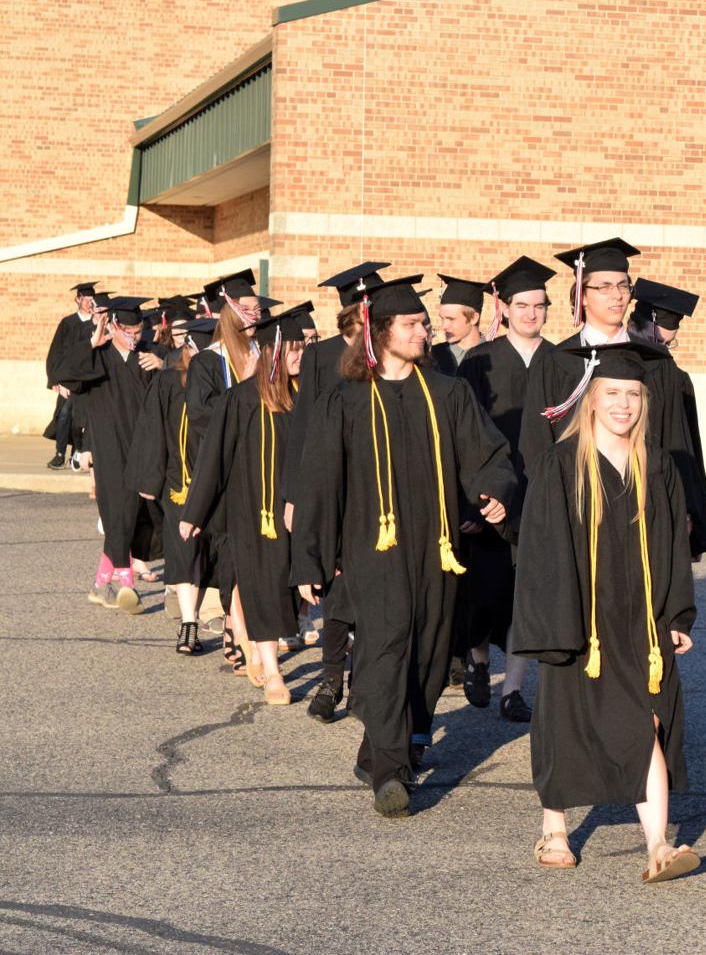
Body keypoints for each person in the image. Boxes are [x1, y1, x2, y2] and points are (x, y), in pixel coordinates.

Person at [290, 274, 517, 817]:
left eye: (424, 324)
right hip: (373, 551)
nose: (424, 332)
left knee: (431, 655)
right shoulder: (344, 401)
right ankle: (391, 773)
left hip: (438, 551)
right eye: (413, 324)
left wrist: (495, 493)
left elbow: (488, 454)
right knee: (386, 649)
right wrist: (311, 559)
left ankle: (380, 748)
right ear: (382, 331)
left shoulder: (448, 394)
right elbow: (320, 485)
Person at [511, 342, 700, 882]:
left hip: (640, 622)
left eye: (633, 394)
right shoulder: (560, 464)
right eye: (612, 393)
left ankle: (658, 846)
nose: (623, 404)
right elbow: (542, 553)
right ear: (590, 398)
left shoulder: (657, 465)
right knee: (565, 720)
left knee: (649, 720)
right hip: (578, 620)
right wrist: (553, 626)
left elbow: (672, 549)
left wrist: (677, 616)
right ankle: (554, 828)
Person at [519, 238, 706, 559]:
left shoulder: (656, 363)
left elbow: (676, 439)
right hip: (575, 507)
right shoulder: (556, 362)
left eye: (623, 286)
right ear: (582, 295)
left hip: (644, 505)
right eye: (605, 287)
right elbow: (537, 442)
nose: (617, 295)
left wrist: (684, 507)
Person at [181, 304, 314, 705]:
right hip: (254, 510)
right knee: (263, 584)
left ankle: (251, 638)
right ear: (274, 351)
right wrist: (195, 512)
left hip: (297, 509)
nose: (300, 356)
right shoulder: (239, 400)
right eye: (293, 349)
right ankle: (273, 672)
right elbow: (214, 458)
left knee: (290, 588)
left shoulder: (306, 396)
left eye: (302, 349)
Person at [455, 256, 556, 721]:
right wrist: (470, 501)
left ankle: (512, 690)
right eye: (522, 305)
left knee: (525, 598)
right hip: (489, 497)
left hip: (541, 497)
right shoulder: (479, 361)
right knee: (483, 592)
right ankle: (478, 660)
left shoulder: (561, 362)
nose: (531, 313)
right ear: (505, 308)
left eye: (539, 305)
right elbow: (462, 434)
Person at [288, 262, 390, 723]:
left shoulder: (394, 358)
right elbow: (302, 429)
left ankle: (366, 681)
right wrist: (294, 496)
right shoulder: (320, 356)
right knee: (337, 588)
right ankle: (331, 679)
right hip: (335, 490)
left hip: (381, 492)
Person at [59, 297, 161, 613]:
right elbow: (64, 374)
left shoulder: (148, 356)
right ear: (114, 327)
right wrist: (91, 343)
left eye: (139, 330)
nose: (135, 337)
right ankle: (127, 583)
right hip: (109, 449)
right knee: (119, 511)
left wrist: (164, 365)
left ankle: (101, 584)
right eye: (129, 331)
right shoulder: (98, 357)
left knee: (136, 515)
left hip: (143, 446)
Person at [126, 317, 217, 653]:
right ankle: (189, 624)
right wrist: (149, 479)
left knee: (210, 552)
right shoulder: (168, 381)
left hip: (216, 478)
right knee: (183, 549)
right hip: (180, 480)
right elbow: (151, 430)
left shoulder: (222, 379)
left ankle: (208, 616)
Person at [188, 271, 262, 677]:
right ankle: (235, 624)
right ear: (229, 313)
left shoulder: (266, 352)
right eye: (247, 308)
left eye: (257, 308)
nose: (255, 315)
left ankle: (251, 623)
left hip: (263, 467)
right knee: (233, 551)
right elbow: (202, 418)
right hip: (227, 473)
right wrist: (244, 386)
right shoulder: (207, 362)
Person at [627, 279, 706, 557]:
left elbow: (685, 444)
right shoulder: (658, 373)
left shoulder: (674, 377)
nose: (666, 350)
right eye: (663, 342)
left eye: (670, 344)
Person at [44, 282, 99, 469]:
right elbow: (55, 352)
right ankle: (59, 454)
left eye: (92, 299)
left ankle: (78, 452)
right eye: (86, 299)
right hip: (68, 380)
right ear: (77, 299)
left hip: (88, 381)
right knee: (64, 414)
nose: (89, 302)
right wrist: (55, 381)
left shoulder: (97, 324)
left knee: (80, 419)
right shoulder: (67, 323)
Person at [429, 274, 489, 375]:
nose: (444, 326)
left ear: (473, 318)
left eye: (451, 319)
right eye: (442, 318)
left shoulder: (497, 356)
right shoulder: (432, 358)